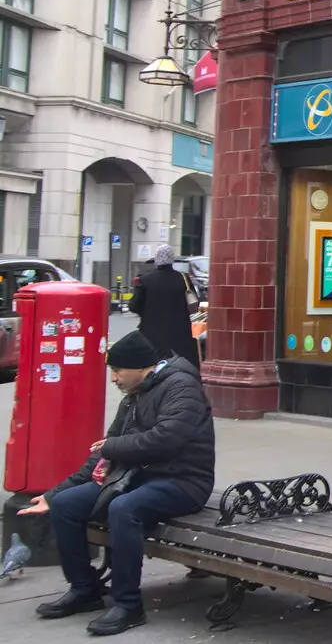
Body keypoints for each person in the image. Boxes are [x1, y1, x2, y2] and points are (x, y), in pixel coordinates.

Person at [21, 330, 216, 636]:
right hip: (135, 476)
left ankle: (128, 605)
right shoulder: (136, 394)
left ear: (141, 367)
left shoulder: (181, 386)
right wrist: (54, 493)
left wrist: (112, 448)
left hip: (183, 481)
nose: (113, 379)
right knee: (66, 505)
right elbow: (103, 452)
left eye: (116, 371)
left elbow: (167, 439)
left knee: (124, 508)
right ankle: (84, 590)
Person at [129, 245, 200, 368]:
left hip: (152, 335)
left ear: (157, 259)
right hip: (180, 336)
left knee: (153, 368)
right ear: (172, 259)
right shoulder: (183, 279)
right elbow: (193, 303)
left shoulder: (145, 279)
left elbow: (134, 306)